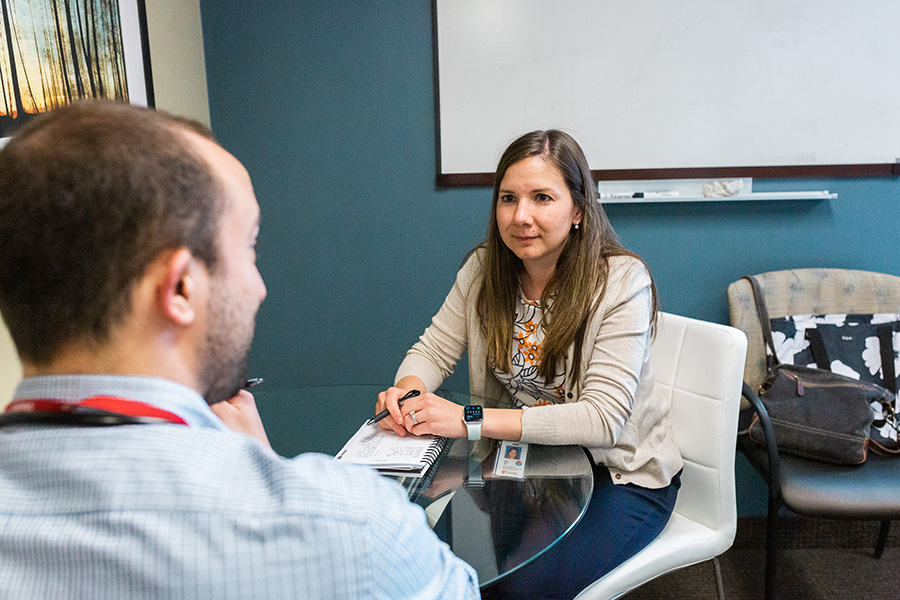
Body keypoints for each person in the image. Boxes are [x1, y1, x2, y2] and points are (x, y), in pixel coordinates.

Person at [0, 100, 478, 600]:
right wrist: (277, 488)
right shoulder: (354, 533)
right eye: (248, 248)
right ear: (181, 288)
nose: (259, 286)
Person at [376, 130, 683, 599]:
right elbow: (433, 350)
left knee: (515, 588)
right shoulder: (483, 269)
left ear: (578, 210)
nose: (521, 216)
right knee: (432, 563)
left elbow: (602, 419)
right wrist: (410, 391)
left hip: (621, 477)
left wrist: (468, 420)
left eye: (542, 198)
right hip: (529, 464)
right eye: (508, 198)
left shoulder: (622, 281)